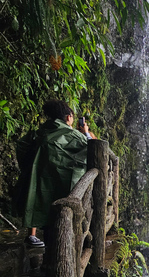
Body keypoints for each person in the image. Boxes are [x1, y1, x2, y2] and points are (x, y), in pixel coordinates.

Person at [16, 99, 95, 247]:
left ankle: (32, 237)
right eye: (72, 116)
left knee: (39, 199)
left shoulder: (40, 132)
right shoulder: (72, 135)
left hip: (38, 178)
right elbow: (93, 148)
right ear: (68, 118)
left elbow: (22, 146)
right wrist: (86, 133)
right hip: (59, 182)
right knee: (58, 214)